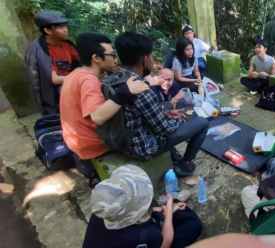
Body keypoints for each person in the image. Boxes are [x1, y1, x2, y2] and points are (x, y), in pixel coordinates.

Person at [104, 32, 209, 177]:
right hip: (143, 146)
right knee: (202, 123)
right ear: (145, 60)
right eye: (152, 57)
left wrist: (165, 113)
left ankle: (174, 156)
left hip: (123, 137)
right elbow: (164, 129)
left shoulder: (113, 79)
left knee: (166, 106)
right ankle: (185, 165)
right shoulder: (142, 91)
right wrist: (178, 119)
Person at [60, 33, 149, 161]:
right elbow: (98, 117)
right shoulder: (88, 80)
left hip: (74, 141)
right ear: (96, 58)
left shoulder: (75, 74)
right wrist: (126, 91)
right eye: (112, 55)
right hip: (93, 145)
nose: (116, 60)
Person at [82, 165, 202, 248]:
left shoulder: (103, 211)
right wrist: (169, 212)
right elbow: (166, 242)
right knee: (193, 224)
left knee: (164, 212)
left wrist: (161, 209)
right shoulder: (146, 235)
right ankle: (173, 202)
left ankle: (171, 203)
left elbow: (127, 215)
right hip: (148, 241)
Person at [25, 11, 80, 115]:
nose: (66, 30)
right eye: (60, 27)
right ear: (48, 30)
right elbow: (54, 79)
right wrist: (80, 77)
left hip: (69, 78)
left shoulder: (66, 44)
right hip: (53, 89)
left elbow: (80, 61)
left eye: (64, 26)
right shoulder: (38, 51)